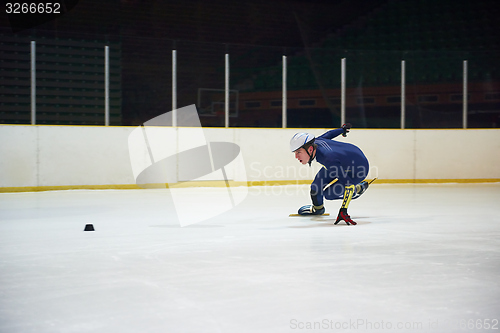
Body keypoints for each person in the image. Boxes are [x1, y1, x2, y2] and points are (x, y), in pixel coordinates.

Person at [290, 124, 371, 225]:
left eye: (298, 152)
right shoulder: (316, 143)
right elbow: (329, 134)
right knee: (316, 187)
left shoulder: (329, 159)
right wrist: (342, 130)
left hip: (358, 170)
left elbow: (348, 185)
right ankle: (318, 209)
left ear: (310, 149)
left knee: (329, 194)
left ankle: (358, 189)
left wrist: (343, 211)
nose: (296, 157)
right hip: (344, 161)